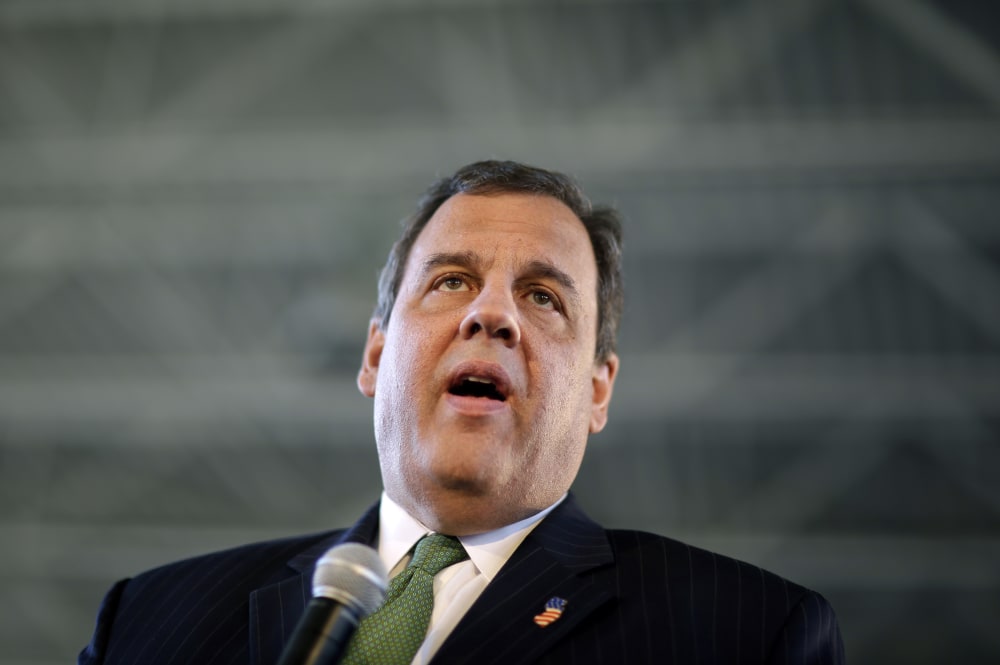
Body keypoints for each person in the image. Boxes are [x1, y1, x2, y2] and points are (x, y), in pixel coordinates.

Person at [79, 160, 844, 664]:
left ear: (598, 390)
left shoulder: (743, 632)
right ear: (375, 355)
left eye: (543, 296)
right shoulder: (150, 620)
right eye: (451, 281)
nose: (493, 314)